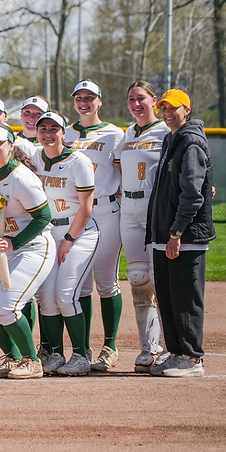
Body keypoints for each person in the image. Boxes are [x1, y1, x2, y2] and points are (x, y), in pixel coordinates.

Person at [0, 124, 53, 380]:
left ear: (11, 145)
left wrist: (15, 243)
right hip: (1, 250)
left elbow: (44, 217)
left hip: (32, 247)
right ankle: (13, 357)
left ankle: (32, 361)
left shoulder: (22, 177)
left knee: (7, 307)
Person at [146, 89, 215, 378]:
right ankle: (176, 353)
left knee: (186, 298)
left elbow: (193, 193)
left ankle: (191, 357)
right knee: (168, 297)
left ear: (187, 109)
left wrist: (177, 232)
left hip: (184, 236)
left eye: (173, 108)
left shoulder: (191, 142)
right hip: (165, 234)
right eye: (163, 109)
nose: (167, 113)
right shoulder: (170, 139)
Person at [31, 111, 99, 377]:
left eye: (53, 128)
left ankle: (81, 355)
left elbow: (87, 207)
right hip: (49, 234)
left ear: (63, 132)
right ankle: (56, 354)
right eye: (43, 128)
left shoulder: (78, 160)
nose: (48, 133)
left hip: (79, 233)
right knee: (46, 296)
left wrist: (69, 240)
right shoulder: (34, 158)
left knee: (66, 294)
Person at [65, 79, 125, 373]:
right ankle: (83, 349)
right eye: (79, 97)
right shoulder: (65, 133)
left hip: (104, 211)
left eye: (90, 97)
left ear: (100, 101)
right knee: (81, 284)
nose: (84, 102)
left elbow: (125, 170)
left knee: (106, 281)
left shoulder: (115, 134)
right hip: (76, 214)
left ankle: (110, 346)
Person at [115, 81, 167, 372]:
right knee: (137, 277)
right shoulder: (129, 132)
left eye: (141, 98)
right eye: (131, 99)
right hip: (129, 208)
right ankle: (149, 347)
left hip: (153, 206)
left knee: (160, 278)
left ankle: (171, 345)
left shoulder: (165, 131)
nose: (136, 104)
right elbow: (119, 165)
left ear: (154, 100)